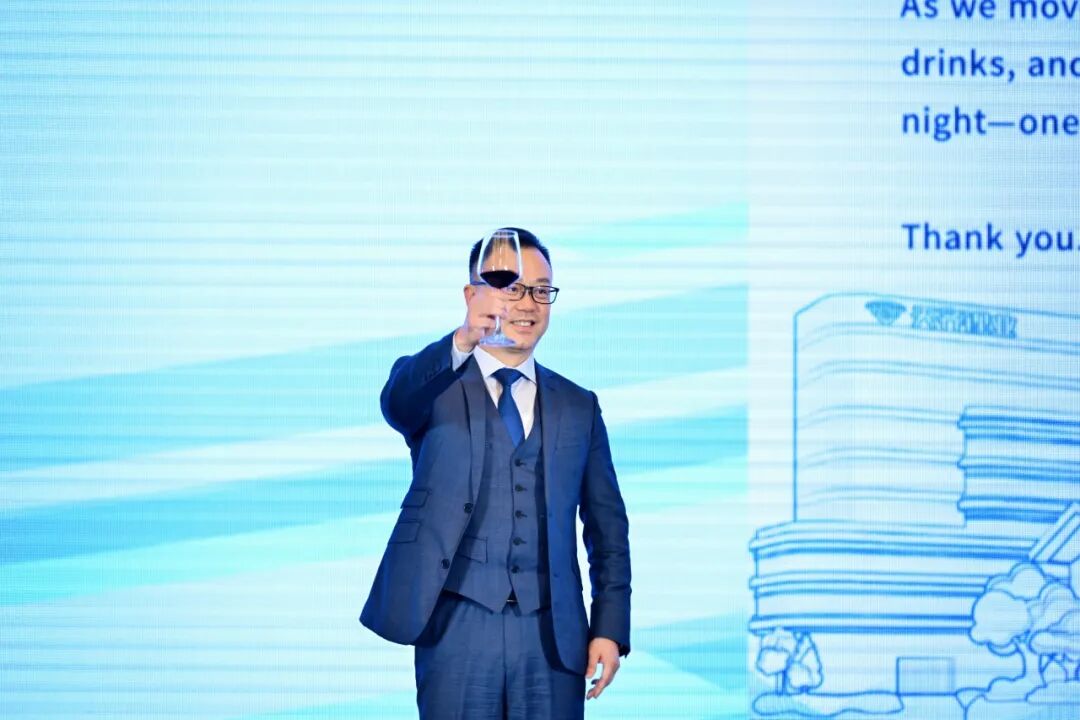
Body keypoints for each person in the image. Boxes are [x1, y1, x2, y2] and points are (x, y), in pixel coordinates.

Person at [361, 228, 632, 719]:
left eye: (541, 290)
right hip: (456, 626)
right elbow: (396, 403)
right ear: (474, 295)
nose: (528, 303)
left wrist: (609, 628)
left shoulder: (579, 406)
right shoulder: (433, 384)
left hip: (552, 636)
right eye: (513, 287)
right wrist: (464, 338)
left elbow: (607, 527)